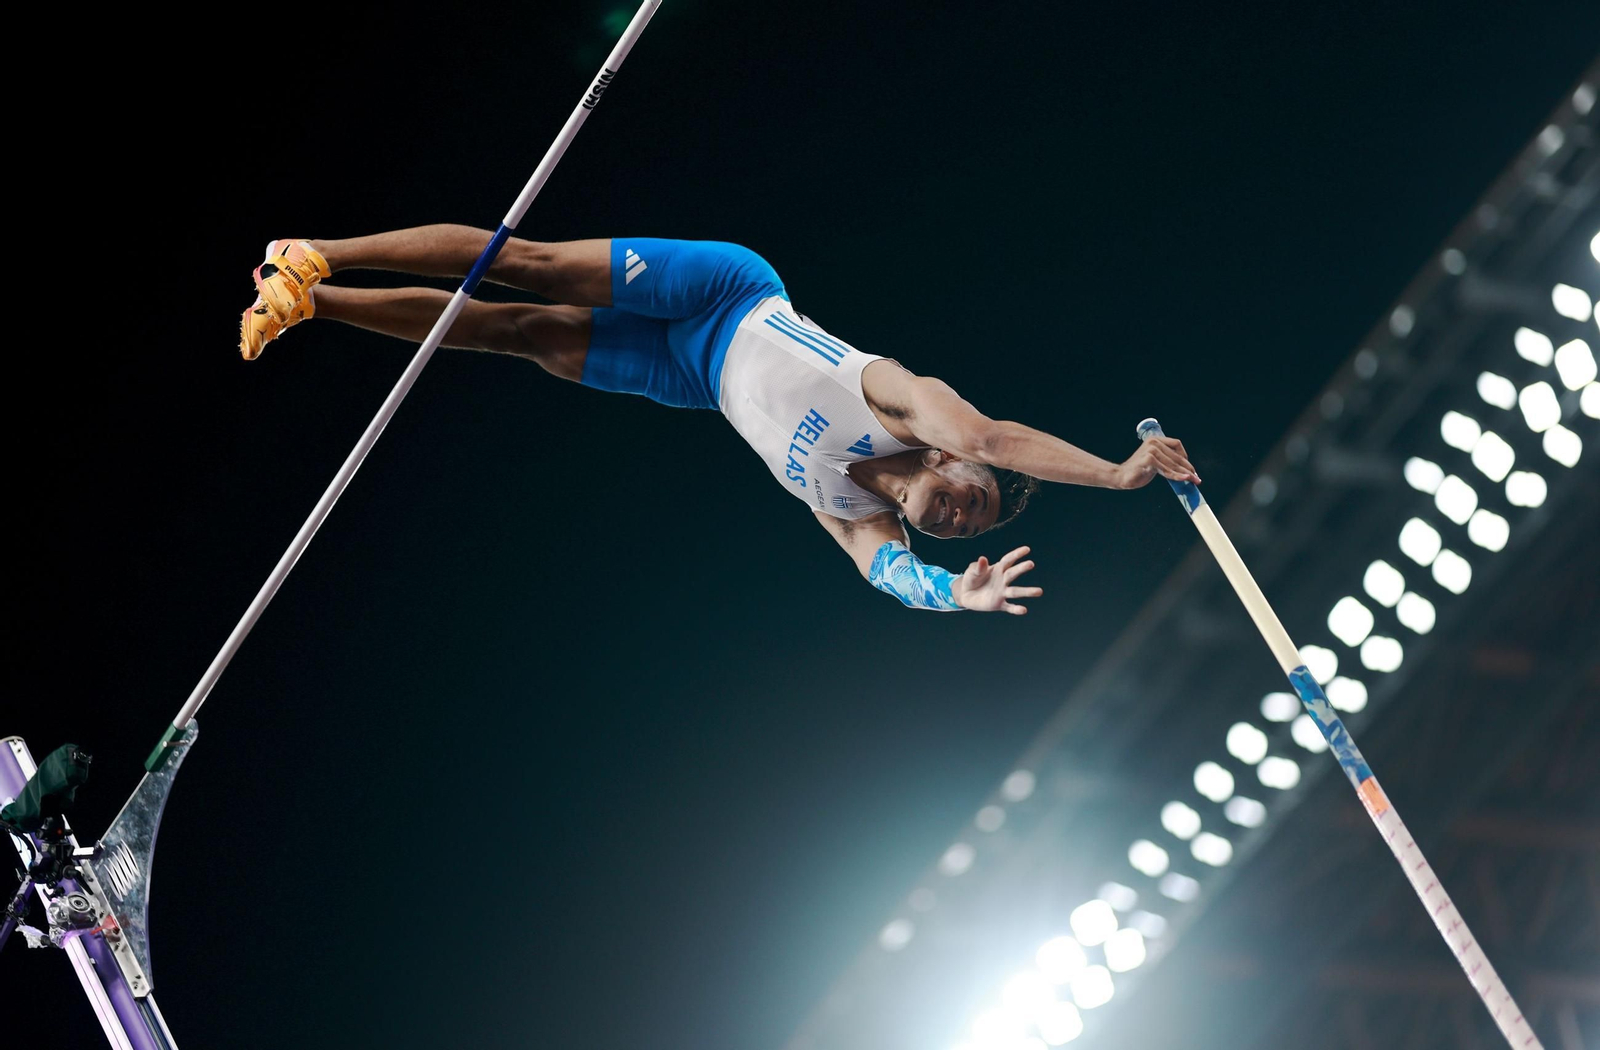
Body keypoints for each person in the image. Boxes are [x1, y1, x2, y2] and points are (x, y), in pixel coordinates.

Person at [240, 231, 1199, 613]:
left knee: (516, 334)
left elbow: (895, 581)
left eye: (963, 528)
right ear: (948, 462)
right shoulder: (912, 401)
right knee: (525, 265)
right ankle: (319, 254)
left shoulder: (853, 515)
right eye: (969, 500)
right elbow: (995, 438)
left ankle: (311, 307)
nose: (959, 515)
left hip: (689, 375)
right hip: (727, 293)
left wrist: (960, 595)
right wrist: (1117, 475)